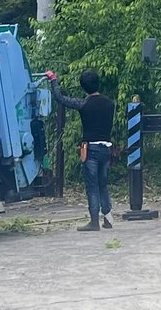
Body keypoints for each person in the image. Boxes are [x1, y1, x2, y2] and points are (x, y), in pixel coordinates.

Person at [45, 68, 115, 232]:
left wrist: (53, 80)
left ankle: (93, 222)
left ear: (83, 87)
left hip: (90, 149)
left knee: (92, 187)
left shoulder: (84, 104)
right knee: (103, 185)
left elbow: (60, 98)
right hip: (106, 149)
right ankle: (108, 219)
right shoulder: (110, 104)